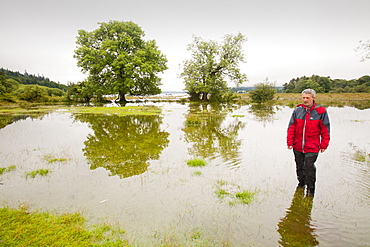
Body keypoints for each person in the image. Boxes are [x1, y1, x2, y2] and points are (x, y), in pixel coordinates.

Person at [287, 89, 330, 197]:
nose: (305, 100)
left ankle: (311, 191)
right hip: (297, 145)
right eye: (303, 98)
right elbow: (291, 127)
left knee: (309, 167)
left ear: (313, 98)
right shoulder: (297, 111)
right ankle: (301, 185)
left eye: (307, 98)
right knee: (299, 166)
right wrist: (289, 141)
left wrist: (324, 144)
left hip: (312, 146)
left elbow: (325, 129)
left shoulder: (321, 112)